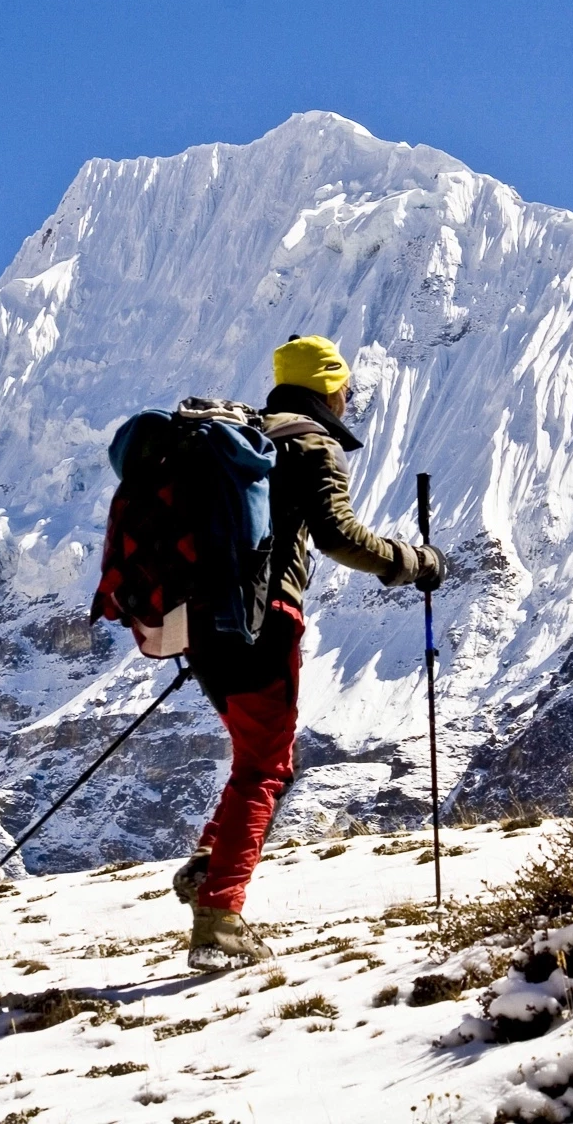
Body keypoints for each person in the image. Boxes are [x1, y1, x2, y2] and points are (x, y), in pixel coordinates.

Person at [175, 335, 444, 971]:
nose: (348, 400)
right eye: (344, 388)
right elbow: (338, 535)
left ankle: (213, 864)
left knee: (259, 758)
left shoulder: (241, 440)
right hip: (263, 620)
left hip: (202, 623)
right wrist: (415, 563)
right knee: (267, 765)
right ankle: (219, 915)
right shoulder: (308, 442)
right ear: (328, 387)